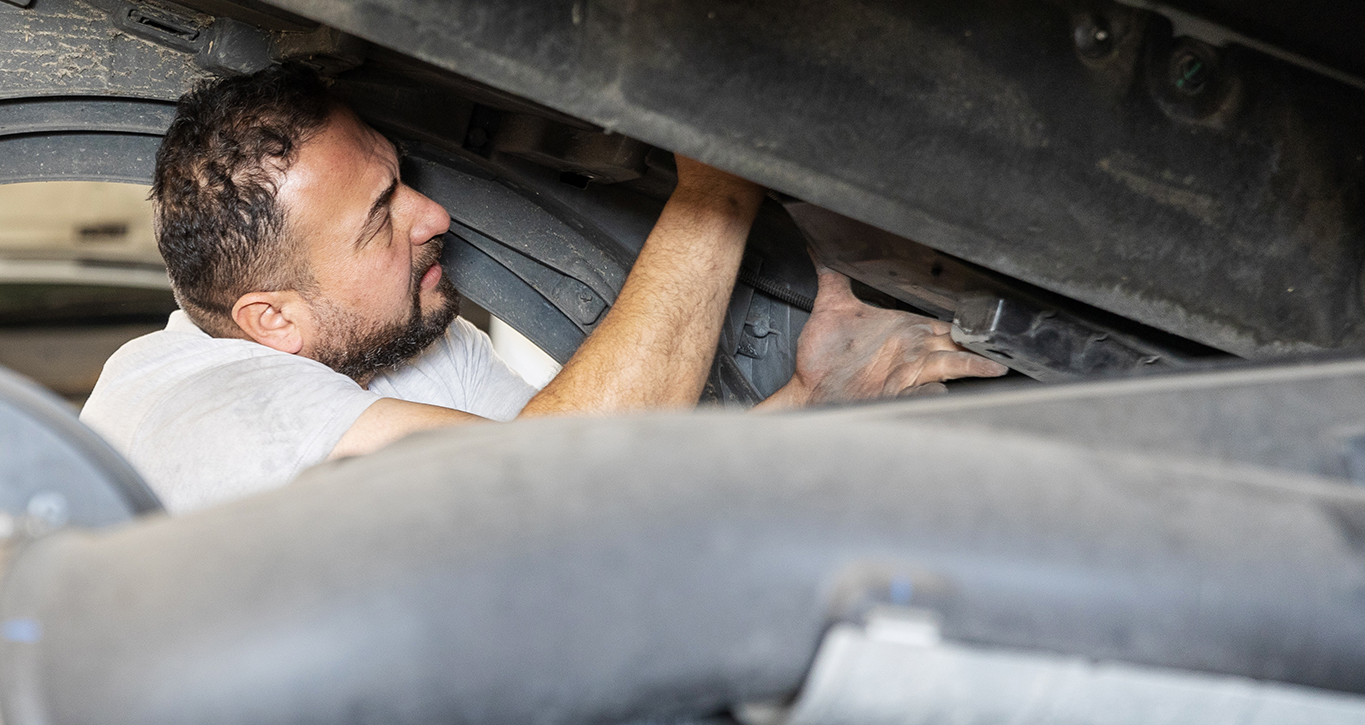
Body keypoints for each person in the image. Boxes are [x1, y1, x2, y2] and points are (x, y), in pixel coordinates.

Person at [82, 69, 1003, 510]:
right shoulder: (196, 413)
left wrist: (809, 398)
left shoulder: (416, 347)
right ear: (271, 319)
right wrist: (717, 187)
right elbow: (561, 491)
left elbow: (617, 469)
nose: (431, 215)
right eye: (380, 218)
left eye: (401, 180)